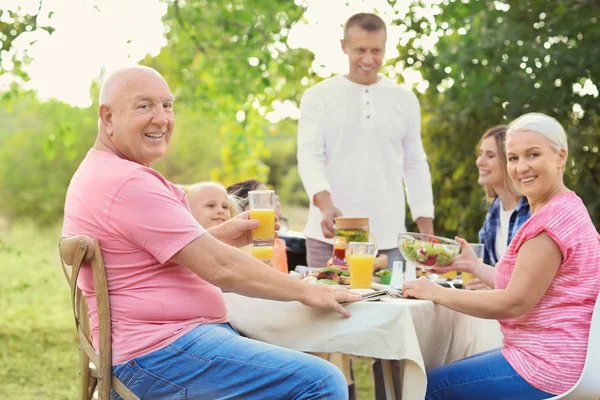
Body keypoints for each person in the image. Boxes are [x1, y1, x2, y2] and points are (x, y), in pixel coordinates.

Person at [62, 66, 361, 399]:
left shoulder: (106, 172)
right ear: (107, 117)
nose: (161, 118)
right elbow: (222, 268)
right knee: (321, 382)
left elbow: (155, 257)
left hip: (158, 350)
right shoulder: (128, 183)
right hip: (159, 356)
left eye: (167, 105)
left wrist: (223, 235)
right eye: (144, 106)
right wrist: (309, 292)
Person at [403, 112, 600, 399]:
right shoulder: (566, 207)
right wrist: (474, 265)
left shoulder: (549, 224)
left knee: (425, 386)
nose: (521, 167)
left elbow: (513, 302)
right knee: (440, 370)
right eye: (513, 158)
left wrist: (436, 293)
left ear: (560, 157)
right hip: (556, 357)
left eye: (533, 154)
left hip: (546, 366)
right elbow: (524, 284)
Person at [297, 12, 435, 271]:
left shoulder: (404, 99)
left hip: (390, 240)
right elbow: (309, 155)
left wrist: (426, 232)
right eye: (360, 50)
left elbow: (415, 164)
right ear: (343, 47)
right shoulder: (318, 96)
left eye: (376, 50)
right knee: (327, 310)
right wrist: (325, 206)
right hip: (328, 237)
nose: (369, 59)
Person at [476, 125, 530, 266]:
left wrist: (491, 282)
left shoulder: (531, 209)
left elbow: (529, 277)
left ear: (509, 161)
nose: (479, 162)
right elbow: (485, 267)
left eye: (490, 155)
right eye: (480, 154)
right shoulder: (495, 210)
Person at [227, 179, 289, 272]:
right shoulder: (248, 249)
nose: (275, 197)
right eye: (265, 194)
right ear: (248, 209)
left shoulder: (276, 242)